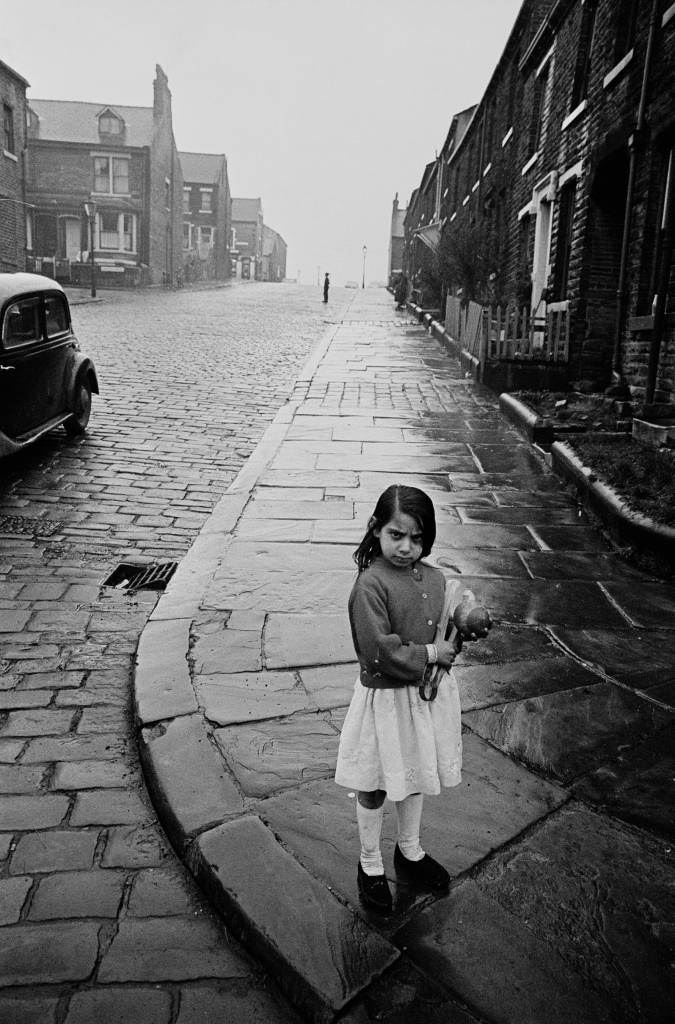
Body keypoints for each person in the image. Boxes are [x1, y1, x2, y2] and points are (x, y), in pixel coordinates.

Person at [335, 484, 473, 914]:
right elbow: (378, 649)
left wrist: (465, 621)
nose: (406, 547)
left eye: (417, 538)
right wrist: (433, 654)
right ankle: (370, 860)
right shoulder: (370, 586)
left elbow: (446, 621)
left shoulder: (434, 577)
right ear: (377, 530)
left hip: (422, 702)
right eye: (396, 535)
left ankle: (409, 849)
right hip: (386, 701)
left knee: (413, 774)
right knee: (375, 781)